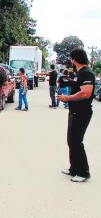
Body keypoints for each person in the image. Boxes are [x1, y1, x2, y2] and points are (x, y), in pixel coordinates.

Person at [57, 48, 95, 182]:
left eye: (71, 58)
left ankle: (84, 172)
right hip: (74, 112)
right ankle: (74, 168)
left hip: (82, 112)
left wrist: (68, 98)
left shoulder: (87, 73)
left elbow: (86, 93)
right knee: (71, 141)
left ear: (74, 59)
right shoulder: (80, 73)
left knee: (77, 142)